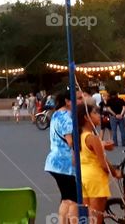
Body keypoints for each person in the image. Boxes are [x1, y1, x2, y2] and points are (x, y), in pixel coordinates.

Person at [78, 103, 119, 223]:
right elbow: (103, 163)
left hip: (83, 177)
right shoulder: (92, 138)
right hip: (96, 179)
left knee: (87, 215)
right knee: (96, 217)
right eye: (95, 113)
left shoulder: (79, 136)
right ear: (86, 117)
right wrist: (115, 172)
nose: (99, 115)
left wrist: (102, 146)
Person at [45, 92, 78, 224]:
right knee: (73, 200)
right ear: (67, 101)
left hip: (54, 161)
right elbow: (70, 141)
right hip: (65, 163)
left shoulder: (56, 114)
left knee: (66, 199)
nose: (78, 102)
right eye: (76, 99)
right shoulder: (66, 117)